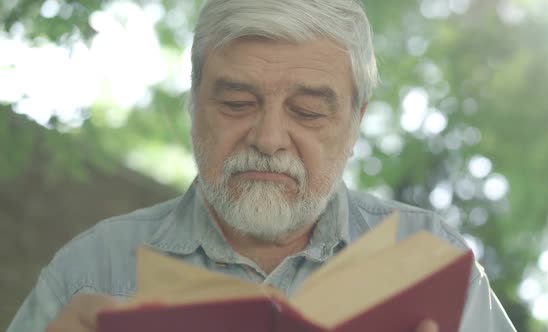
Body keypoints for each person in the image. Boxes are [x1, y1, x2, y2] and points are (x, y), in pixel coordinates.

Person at [8, 0, 516, 331]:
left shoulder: (429, 260)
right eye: (237, 104)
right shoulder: (90, 273)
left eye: (308, 111)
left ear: (356, 122)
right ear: (194, 106)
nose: (269, 139)